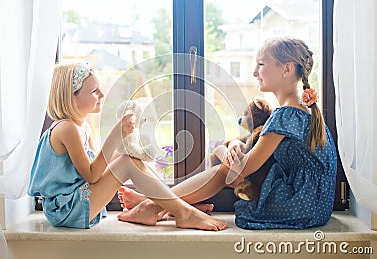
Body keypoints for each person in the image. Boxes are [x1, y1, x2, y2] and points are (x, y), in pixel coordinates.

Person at [118, 36, 338, 229]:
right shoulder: (302, 110)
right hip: (314, 204)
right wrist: (235, 146)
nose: (254, 72)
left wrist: (224, 150)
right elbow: (255, 154)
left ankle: (152, 204)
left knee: (226, 170)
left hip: (299, 206)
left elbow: (242, 170)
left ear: (286, 69)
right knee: (229, 165)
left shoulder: (285, 115)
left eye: (261, 64)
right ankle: (161, 204)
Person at [27, 61, 228, 231]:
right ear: (72, 98)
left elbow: (100, 164)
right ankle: (182, 211)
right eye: (94, 91)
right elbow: (92, 175)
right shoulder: (66, 129)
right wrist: (115, 137)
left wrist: (128, 147)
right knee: (126, 162)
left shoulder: (82, 127)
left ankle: (164, 206)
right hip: (66, 209)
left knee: (130, 158)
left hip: (78, 200)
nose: (102, 95)